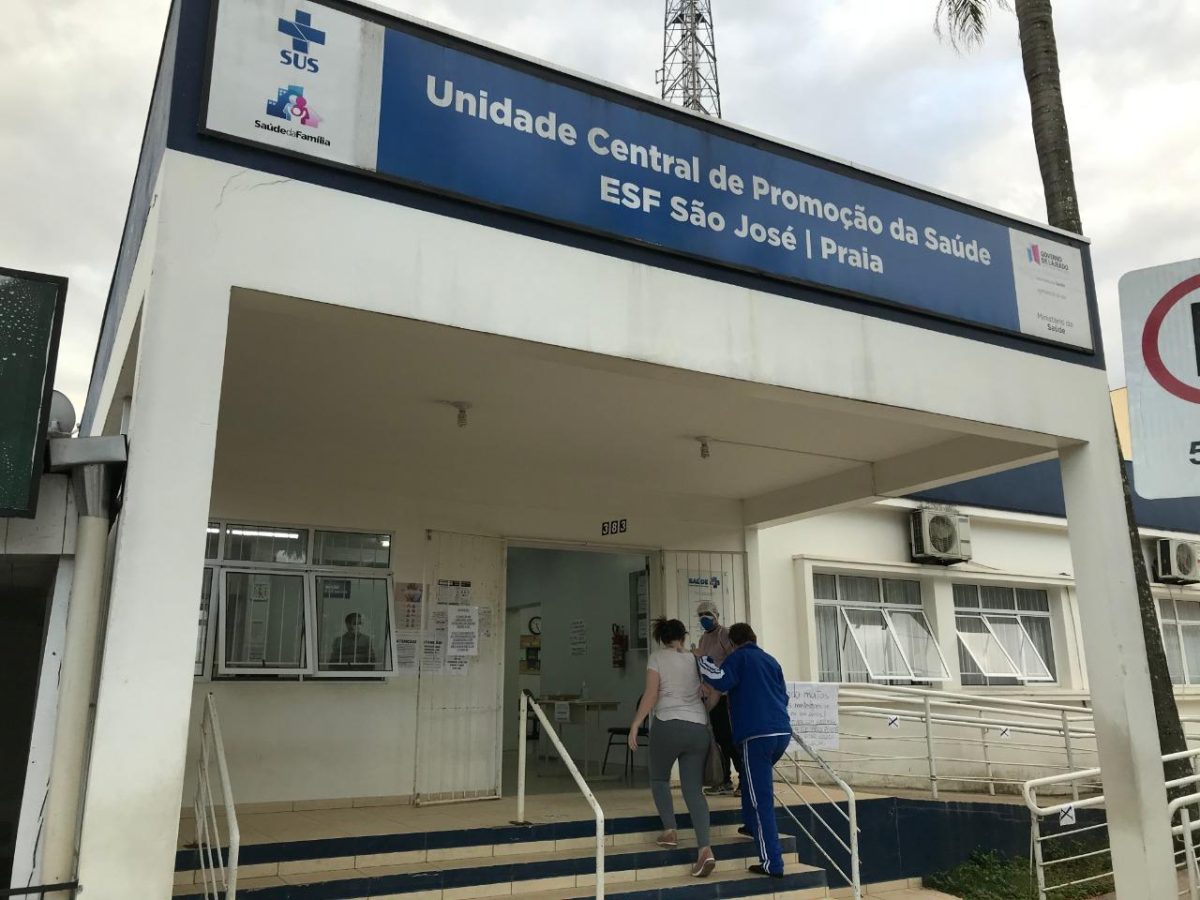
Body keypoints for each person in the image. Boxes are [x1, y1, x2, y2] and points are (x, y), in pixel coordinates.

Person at [698, 623, 791, 879]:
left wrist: (702, 659)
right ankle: (750, 826)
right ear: (754, 637)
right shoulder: (770, 660)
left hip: (756, 735)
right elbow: (784, 696)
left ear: (731, 643)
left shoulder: (738, 658)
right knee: (750, 780)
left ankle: (772, 862)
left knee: (762, 799)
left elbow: (719, 680)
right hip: (781, 732)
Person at [629, 617, 717, 878]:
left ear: (661, 638)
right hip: (697, 727)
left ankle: (669, 831)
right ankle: (705, 850)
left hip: (667, 724)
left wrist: (636, 723)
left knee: (658, 778)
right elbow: (713, 691)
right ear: (683, 634)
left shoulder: (657, 658)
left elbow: (652, 693)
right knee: (693, 791)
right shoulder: (695, 658)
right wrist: (704, 711)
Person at [694, 600, 743, 796]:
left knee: (729, 739)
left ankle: (743, 781)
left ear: (716, 615)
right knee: (717, 740)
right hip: (709, 695)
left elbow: (733, 660)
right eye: (700, 615)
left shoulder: (725, 634)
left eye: (707, 613)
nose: (703, 618)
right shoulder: (703, 639)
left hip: (725, 696)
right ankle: (723, 780)